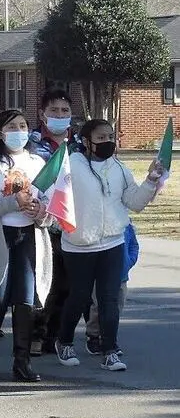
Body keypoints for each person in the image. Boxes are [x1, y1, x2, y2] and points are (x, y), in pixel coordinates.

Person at [55, 119, 162, 372]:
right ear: (86, 142)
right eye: (101, 138)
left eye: (110, 137)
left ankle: (110, 350)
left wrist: (150, 182)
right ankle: (65, 340)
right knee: (79, 297)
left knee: (109, 299)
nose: (107, 142)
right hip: (79, 244)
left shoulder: (119, 169)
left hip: (113, 241)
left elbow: (134, 202)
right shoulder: (70, 167)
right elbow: (55, 200)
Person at [0, 109, 53, 382]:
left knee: (25, 299)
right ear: (2, 132)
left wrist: (40, 211)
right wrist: (12, 203)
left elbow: (51, 205)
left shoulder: (38, 162)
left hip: (28, 237)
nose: (19, 131)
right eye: (13, 126)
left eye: (24, 126)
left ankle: (21, 360)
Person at [29, 89, 75, 356]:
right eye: (54, 111)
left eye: (64, 111)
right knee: (44, 281)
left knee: (67, 285)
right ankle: (35, 335)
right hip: (43, 223)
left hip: (70, 223)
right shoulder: (33, 145)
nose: (60, 116)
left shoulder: (79, 143)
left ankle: (55, 336)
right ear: (42, 115)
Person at [85, 222, 138, 355]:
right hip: (102, 275)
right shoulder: (102, 224)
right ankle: (93, 336)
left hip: (121, 276)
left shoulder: (127, 225)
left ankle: (109, 339)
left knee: (116, 309)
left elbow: (133, 245)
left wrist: (129, 261)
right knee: (98, 307)